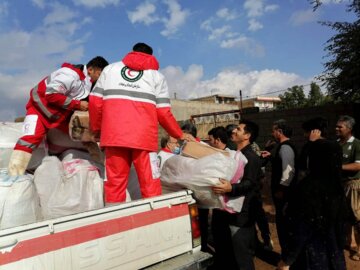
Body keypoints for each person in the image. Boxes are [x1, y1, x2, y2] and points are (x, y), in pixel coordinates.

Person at [89, 42, 193, 203]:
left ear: (132, 52)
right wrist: (178, 134)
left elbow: (95, 102)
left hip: (114, 137)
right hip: (144, 140)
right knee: (150, 184)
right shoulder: (157, 77)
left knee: (114, 185)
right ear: (151, 56)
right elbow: (163, 112)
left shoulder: (110, 70)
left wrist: (96, 129)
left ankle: (116, 223)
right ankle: (154, 221)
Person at [8, 56, 109, 176]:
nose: (100, 79)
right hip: (39, 109)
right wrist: (77, 104)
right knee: (30, 139)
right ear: (91, 70)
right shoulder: (69, 75)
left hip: (59, 116)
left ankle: (103, 169)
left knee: (86, 137)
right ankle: (14, 175)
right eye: (99, 74)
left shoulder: (87, 83)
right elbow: (51, 95)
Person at [278, 117, 347, 270]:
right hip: (332, 244)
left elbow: (303, 164)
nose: (303, 136)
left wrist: (311, 144)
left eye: (305, 133)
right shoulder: (336, 187)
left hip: (314, 256)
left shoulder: (309, 188)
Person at [212, 120, 263, 270]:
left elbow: (250, 184)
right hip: (230, 212)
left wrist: (230, 189)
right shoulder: (235, 154)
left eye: (238, 129)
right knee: (232, 253)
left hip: (242, 216)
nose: (233, 131)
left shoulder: (251, 157)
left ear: (247, 135)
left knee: (242, 256)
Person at [261, 119, 296, 251]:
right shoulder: (282, 147)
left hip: (285, 193)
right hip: (284, 192)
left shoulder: (285, 147)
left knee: (285, 224)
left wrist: (282, 189)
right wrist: (270, 156)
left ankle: (288, 257)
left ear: (280, 132)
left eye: (273, 130)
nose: (272, 133)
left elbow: (288, 171)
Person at [336, 115, 360, 261]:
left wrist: (337, 167)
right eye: (337, 126)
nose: (336, 128)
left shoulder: (357, 144)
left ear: (349, 129)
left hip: (353, 185)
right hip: (340, 185)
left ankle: (358, 248)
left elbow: (358, 165)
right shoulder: (337, 144)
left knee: (357, 217)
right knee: (344, 217)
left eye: (340, 127)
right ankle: (348, 242)